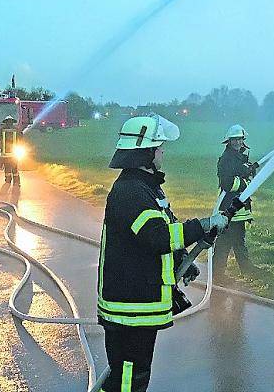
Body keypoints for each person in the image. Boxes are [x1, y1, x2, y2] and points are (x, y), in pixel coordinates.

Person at [97, 114, 227, 391]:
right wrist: (204, 224)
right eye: (159, 147)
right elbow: (157, 237)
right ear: (146, 152)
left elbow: (163, 232)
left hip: (138, 303)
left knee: (131, 374)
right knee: (131, 378)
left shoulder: (146, 187)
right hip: (131, 306)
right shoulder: (130, 191)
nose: (163, 152)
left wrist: (182, 258)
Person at [213, 124, 259, 278]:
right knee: (229, 243)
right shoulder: (227, 159)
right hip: (230, 207)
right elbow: (228, 184)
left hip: (237, 209)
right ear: (229, 141)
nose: (238, 143)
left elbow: (244, 175)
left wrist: (249, 172)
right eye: (234, 140)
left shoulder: (240, 157)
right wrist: (245, 182)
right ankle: (223, 273)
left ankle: (223, 272)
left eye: (240, 139)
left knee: (233, 241)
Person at [0, 116, 20, 185]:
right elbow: (21, 138)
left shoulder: (1, 130)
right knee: (15, 168)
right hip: (14, 153)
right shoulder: (17, 129)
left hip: (5, 153)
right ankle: (16, 182)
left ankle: (8, 181)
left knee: (7, 167)